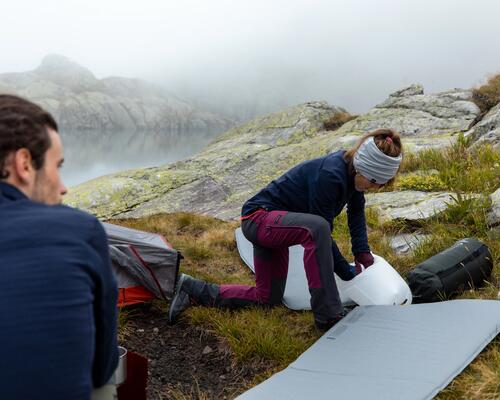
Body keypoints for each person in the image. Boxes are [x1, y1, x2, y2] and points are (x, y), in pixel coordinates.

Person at [169, 129, 403, 330]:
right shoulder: (331, 175)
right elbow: (319, 233)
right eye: (374, 182)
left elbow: (356, 214)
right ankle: (327, 315)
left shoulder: (354, 176)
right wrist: (346, 271)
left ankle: (193, 289)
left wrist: (363, 253)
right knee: (318, 228)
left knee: (267, 299)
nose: (375, 188)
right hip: (258, 218)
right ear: (362, 167)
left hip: (277, 227)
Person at [0, 95, 119, 400]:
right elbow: (102, 367)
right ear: (24, 164)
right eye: (58, 165)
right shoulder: (81, 230)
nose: (64, 186)